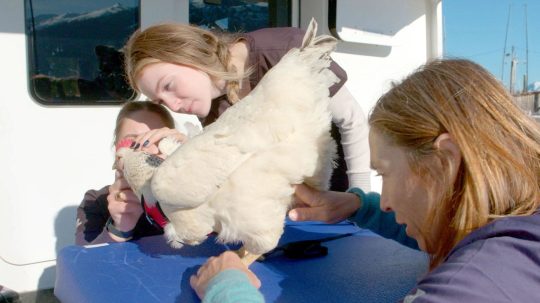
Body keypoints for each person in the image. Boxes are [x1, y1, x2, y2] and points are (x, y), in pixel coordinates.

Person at [189, 59, 540, 302]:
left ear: (446, 159)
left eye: (384, 172)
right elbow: (456, 228)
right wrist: (360, 206)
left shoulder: (474, 285)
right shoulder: (520, 229)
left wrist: (227, 290)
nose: (384, 200)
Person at [123, 22, 371, 192]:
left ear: (190, 55)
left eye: (169, 85)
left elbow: (351, 120)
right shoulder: (210, 106)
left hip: (339, 185)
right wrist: (182, 151)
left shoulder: (284, 49)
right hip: (290, 201)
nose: (174, 105)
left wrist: (359, 197)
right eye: (160, 101)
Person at [75, 101, 184, 245]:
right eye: (133, 143)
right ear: (116, 150)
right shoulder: (95, 201)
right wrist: (119, 229)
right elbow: (83, 264)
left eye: (156, 141)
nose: (144, 151)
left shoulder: (191, 193)